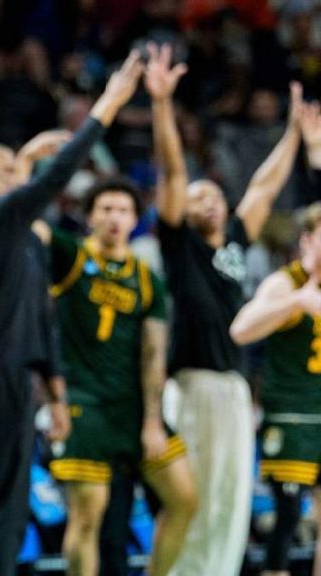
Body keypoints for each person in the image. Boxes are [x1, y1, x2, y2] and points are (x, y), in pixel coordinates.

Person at [0, 52, 143, 575]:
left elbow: (33, 312)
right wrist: (108, 106)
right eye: (5, 172)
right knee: (3, 509)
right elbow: (52, 182)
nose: (17, 178)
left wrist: (55, 387)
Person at [147, 43, 304, 576]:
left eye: (213, 194)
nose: (207, 201)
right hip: (190, 384)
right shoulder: (179, 244)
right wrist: (163, 106)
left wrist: (294, 136)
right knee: (195, 496)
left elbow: (263, 186)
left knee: (231, 496)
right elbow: (171, 171)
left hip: (235, 388)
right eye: (197, 198)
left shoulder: (236, 239)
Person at [41, 178, 197, 576]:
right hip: (84, 403)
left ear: (135, 219)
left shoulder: (146, 279)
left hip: (133, 408)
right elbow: (33, 223)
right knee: (88, 516)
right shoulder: (72, 257)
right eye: (105, 208)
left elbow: (153, 353)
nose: (114, 217)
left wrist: (151, 420)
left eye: (123, 210)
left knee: (184, 499)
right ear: (89, 215)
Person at [230, 203, 321, 576]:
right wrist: (297, 302)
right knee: (287, 519)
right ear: (307, 240)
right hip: (292, 414)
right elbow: (241, 330)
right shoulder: (286, 282)